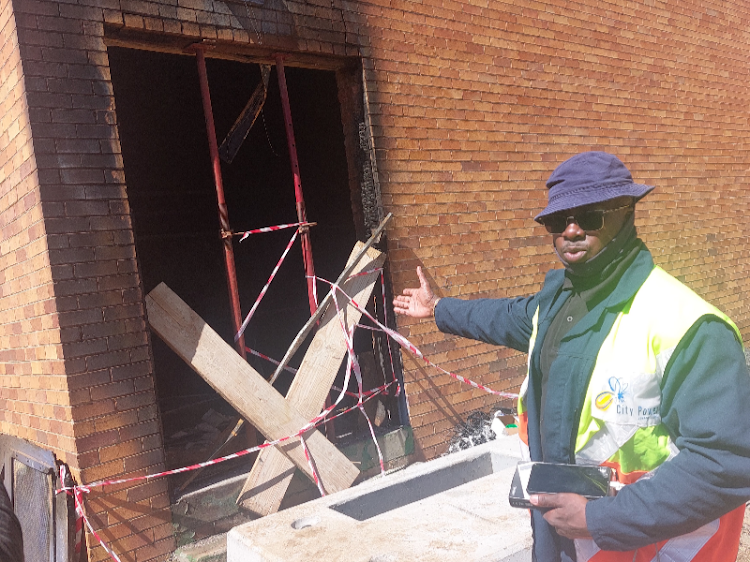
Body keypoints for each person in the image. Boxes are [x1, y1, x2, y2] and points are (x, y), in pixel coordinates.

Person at [393, 151, 750, 562]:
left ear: (626, 213)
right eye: (557, 222)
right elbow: (503, 317)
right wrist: (437, 308)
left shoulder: (688, 326)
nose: (572, 230)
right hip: (562, 544)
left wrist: (602, 519)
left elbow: (726, 462)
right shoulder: (558, 305)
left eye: (590, 217)